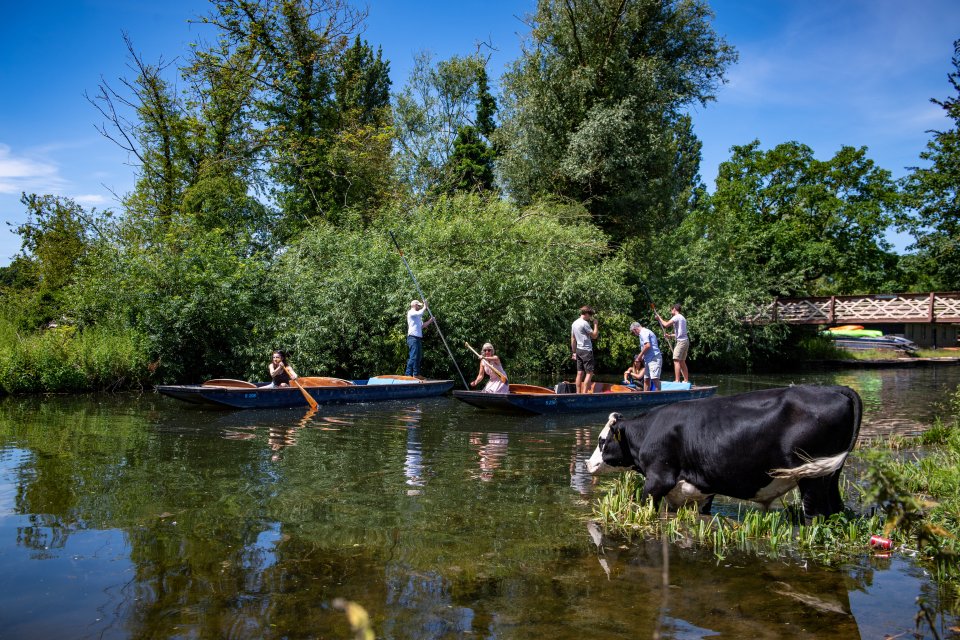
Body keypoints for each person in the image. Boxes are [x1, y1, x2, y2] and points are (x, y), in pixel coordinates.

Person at [656, 303, 690, 383]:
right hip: (685, 341)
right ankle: (686, 380)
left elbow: (666, 324)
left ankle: (677, 380)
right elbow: (680, 333)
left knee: (676, 360)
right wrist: (670, 336)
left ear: (674, 309)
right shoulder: (682, 318)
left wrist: (659, 318)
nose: (671, 311)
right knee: (682, 361)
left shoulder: (677, 317)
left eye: (671, 309)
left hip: (681, 342)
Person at [570, 306, 600, 394]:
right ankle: (584, 394)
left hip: (578, 350)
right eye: (590, 315)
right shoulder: (584, 323)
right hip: (586, 351)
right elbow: (594, 335)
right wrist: (595, 324)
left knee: (579, 373)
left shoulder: (574, 323)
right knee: (589, 373)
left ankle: (578, 393)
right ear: (586, 314)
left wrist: (574, 352)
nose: (590, 317)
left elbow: (572, 339)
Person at [629, 321, 662, 391]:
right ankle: (645, 395)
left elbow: (647, 346)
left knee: (655, 378)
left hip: (654, 358)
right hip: (648, 359)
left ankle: (658, 396)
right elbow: (647, 348)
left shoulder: (643, 332)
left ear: (635, 329)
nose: (635, 334)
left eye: (633, 332)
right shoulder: (643, 333)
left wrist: (639, 356)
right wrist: (643, 357)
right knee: (646, 379)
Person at [405, 299, 434, 377]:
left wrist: (430, 321)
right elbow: (420, 313)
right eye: (418, 305)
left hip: (418, 338)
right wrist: (425, 307)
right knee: (413, 356)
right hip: (412, 338)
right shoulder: (411, 312)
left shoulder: (417, 316)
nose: (419, 307)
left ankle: (416, 374)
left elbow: (422, 326)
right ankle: (407, 374)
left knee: (418, 356)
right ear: (414, 305)